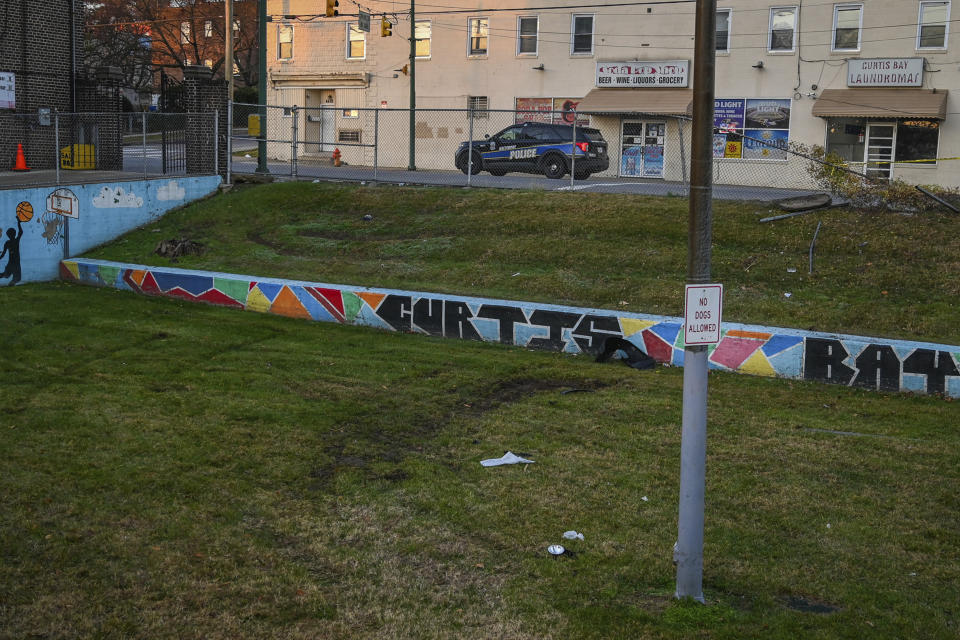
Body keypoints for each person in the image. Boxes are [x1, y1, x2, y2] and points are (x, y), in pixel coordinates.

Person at [0, 217, 23, 286]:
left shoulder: (7, 243)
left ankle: (12, 282)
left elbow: (3, 254)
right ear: (14, 234)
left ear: (7, 235)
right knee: (17, 278)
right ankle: (12, 282)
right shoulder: (16, 241)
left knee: (5, 274)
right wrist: (19, 222)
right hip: (16, 263)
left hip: (10, 262)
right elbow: (20, 232)